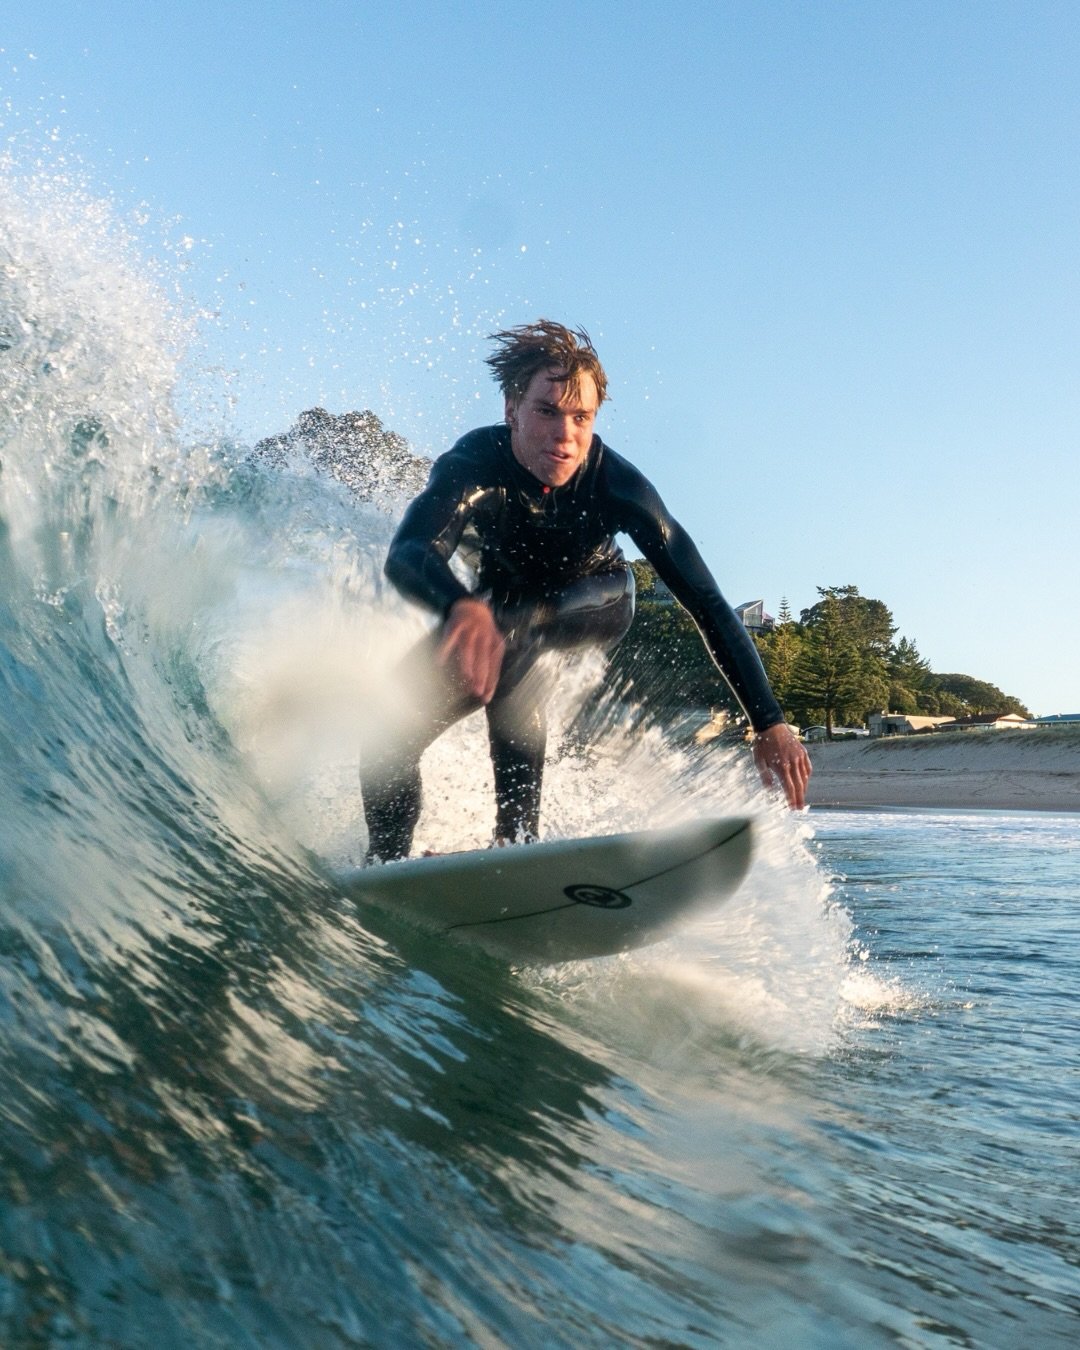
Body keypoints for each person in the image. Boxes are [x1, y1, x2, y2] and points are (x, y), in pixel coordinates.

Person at [362, 320, 810, 861]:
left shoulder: (619, 486)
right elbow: (410, 551)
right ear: (512, 410)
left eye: (582, 417)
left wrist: (771, 722)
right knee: (386, 735)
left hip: (598, 597)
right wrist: (458, 605)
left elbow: (707, 601)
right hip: (493, 610)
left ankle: (514, 842)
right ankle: (385, 867)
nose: (565, 434)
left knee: (515, 627)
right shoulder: (472, 465)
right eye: (547, 411)